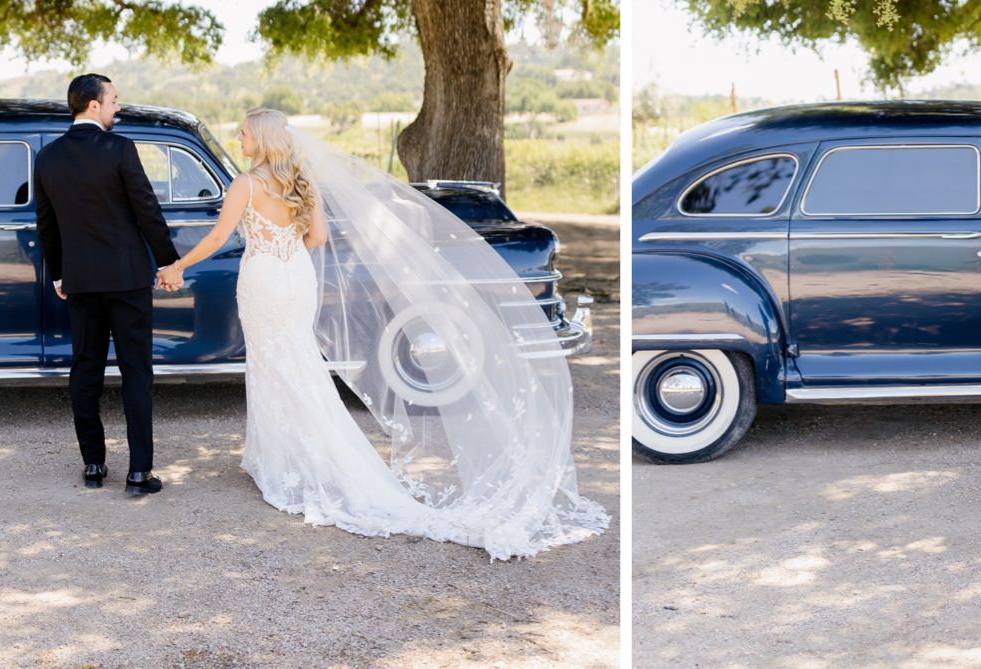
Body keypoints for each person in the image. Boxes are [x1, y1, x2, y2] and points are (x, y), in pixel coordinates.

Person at [156, 107, 609, 559]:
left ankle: (281, 461)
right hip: (294, 278)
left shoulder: (246, 184)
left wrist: (178, 265)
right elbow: (316, 239)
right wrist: (282, 241)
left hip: (263, 280)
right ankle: (289, 456)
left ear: (263, 138)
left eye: (244, 133)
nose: (239, 138)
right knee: (298, 363)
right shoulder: (301, 183)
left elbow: (218, 238)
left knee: (272, 364)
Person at [35, 73, 180, 496]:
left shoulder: (48, 157)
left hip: (79, 280)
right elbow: (146, 209)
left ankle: (94, 465)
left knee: (85, 370)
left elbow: (47, 226)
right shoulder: (119, 149)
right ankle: (139, 473)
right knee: (136, 371)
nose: (118, 107)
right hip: (127, 277)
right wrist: (169, 260)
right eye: (114, 100)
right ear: (93, 105)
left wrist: (59, 273)